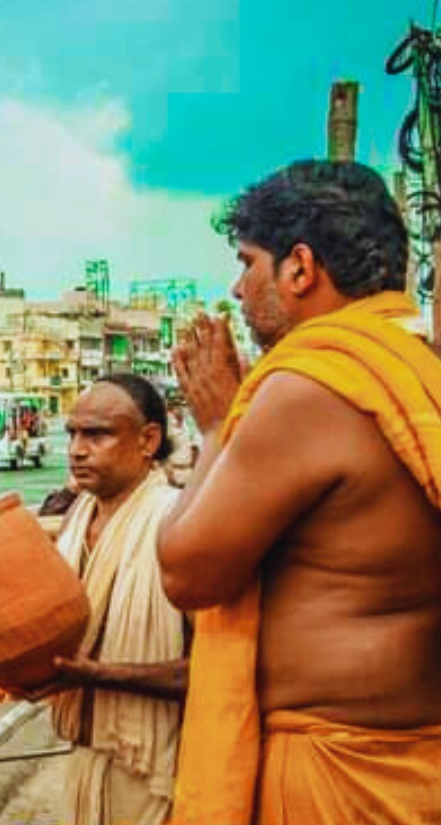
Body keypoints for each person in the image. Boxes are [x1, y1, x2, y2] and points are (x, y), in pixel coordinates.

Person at [156, 161, 441, 825]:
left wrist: (217, 424)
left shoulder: (311, 389)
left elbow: (186, 571)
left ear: (301, 268)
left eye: (248, 262)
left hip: (332, 769)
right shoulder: (419, 367)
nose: (237, 287)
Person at [51, 375, 188, 825]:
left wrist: (103, 674)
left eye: (97, 434)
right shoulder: (76, 519)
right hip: (84, 760)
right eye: (72, 433)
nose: (76, 449)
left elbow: (221, 665)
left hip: (156, 770)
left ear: (149, 440)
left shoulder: (179, 521)